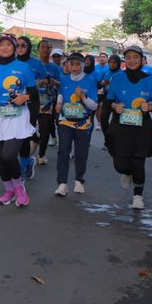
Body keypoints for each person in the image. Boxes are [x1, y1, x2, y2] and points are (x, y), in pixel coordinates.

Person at [0, 34, 37, 207]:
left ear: (14, 48)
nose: (5, 47)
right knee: (0, 158)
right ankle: (8, 190)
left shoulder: (24, 68)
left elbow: (34, 94)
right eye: (2, 45)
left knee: (8, 155)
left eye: (8, 45)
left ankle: (19, 189)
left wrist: (24, 97)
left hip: (17, 115)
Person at [105, 45, 152, 210]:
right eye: (128, 57)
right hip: (120, 127)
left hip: (141, 128)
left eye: (135, 57)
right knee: (120, 165)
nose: (132, 60)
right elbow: (109, 101)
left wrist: (149, 106)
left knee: (138, 162)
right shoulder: (117, 78)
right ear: (125, 60)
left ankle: (138, 196)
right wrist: (115, 106)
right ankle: (126, 172)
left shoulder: (149, 79)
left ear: (142, 60)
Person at [54, 52, 98, 196]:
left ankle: (79, 180)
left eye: (78, 64)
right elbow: (61, 93)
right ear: (68, 65)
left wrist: (83, 97)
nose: (74, 67)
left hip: (84, 123)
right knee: (63, 151)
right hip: (65, 121)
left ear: (83, 65)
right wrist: (59, 103)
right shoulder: (64, 79)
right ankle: (62, 183)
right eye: (71, 64)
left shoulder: (90, 81)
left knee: (81, 152)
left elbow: (94, 106)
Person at [15, 36, 46, 180]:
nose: (20, 48)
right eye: (17, 45)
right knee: (13, 135)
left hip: (31, 102)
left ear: (29, 47)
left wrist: (36, 84)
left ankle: (22, 168)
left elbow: (45, 79)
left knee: (24, 136)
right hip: (14, 102)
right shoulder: (11, 62)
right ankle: (27, 160)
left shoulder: (36, 63)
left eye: (23, 45)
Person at [36, 40, 61, 163]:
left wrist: (53, 81)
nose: (45, 49)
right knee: (28, 128)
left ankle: (41, 155)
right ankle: (28, 150)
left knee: (44, 129)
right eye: (43, 47)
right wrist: (38, 82)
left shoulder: (54, 67)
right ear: (38, 49)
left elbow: (60, 85)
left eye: (48, 47)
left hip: (47, 103)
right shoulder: (32, 65)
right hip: (31, 101)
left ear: (50, 50)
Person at [99, 54, 122, 136]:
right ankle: (108, 138)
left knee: (116, 121)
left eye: (114, 63)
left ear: (118, 63)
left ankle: (114, 139)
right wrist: (102, 83)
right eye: (110, 62)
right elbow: (99, 85)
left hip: (118, 99)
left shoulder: (122, 73)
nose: (112, 64)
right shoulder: (105, 72)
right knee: (103, 119)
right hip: (106, 98)